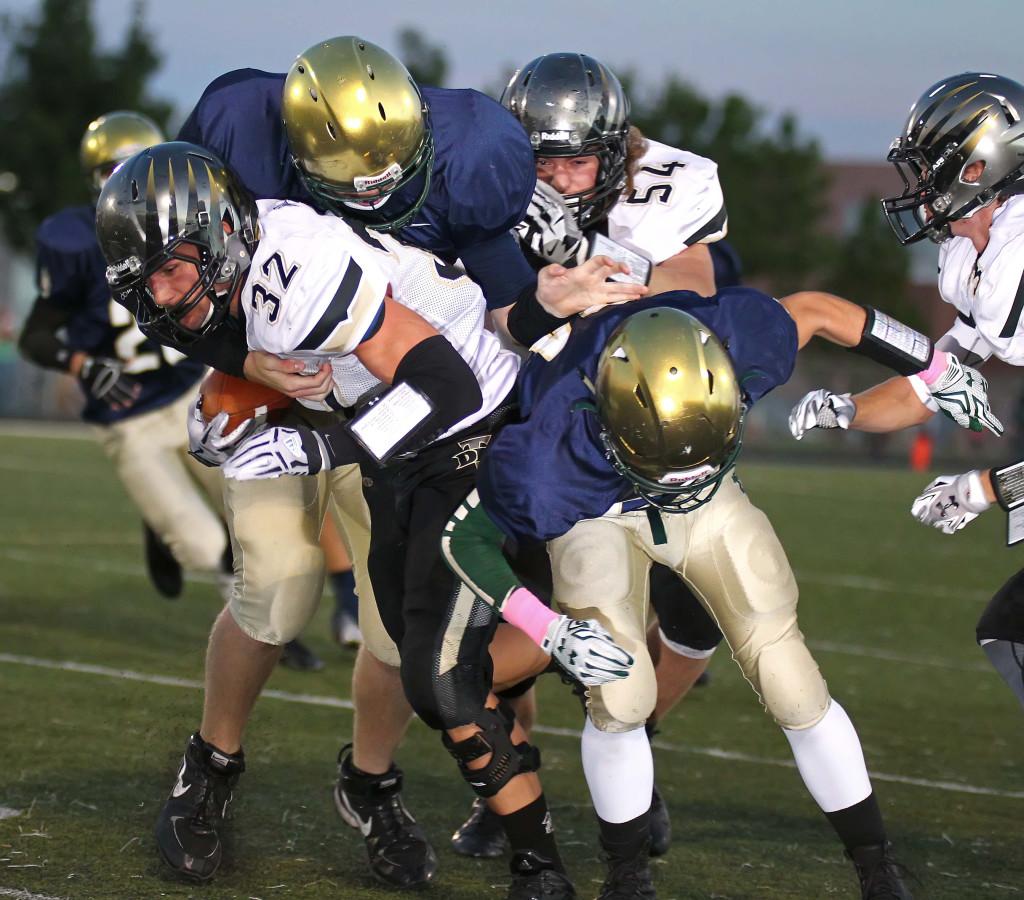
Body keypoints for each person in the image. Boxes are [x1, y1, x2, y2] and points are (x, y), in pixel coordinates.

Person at [95, 140, 640, 895]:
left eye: (172, 269)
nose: (159, 292)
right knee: (280, 589)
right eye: (144, 278)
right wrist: (247, 370)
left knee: (399, 639)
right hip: (332, 402)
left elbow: (440, 382)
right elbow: (199, 323)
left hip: (394, 411)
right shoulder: (189, 259)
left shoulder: (299, 269)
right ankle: (210, 768)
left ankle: (372, 785)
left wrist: (317, 444)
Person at [437, 280, 998, 898]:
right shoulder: (549, 453)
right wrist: (547, 626)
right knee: (619, 697)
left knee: (793, 681)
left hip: (708, 507)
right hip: (599, 513)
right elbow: (465, 539)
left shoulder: (741, 338)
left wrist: (937, 366)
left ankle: (877, 865)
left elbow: (818, 309)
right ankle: (626, 877)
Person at [462, 51, 731, 863]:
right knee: (505, 629)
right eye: (542, 157)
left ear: (615, 151)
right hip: (532, 426)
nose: (562, 175)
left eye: (579, 157)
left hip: (647, 422)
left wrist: (608, 266)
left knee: (694, 611)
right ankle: (513, 781)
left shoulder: (664, 188)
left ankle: (633, 749)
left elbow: (697, 288)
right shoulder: (486, 193)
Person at [789, 72, 1024, 718]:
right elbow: (936, 384)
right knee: (1010, 629)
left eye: (931, 169)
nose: (918, 188)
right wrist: (851, 410)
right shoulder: (984, 262)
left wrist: (988, 490)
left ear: (980, 167)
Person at [17, 110, 232, 604]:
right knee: (202, 544)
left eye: (137, 169)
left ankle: (269, 632)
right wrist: (82, 365)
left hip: (191, 393)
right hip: (127, 413)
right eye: (113, 174)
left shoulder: (186, 226)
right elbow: (37, 335)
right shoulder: (71, 241)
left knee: (252, 512)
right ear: (94, 180)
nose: (127, 186)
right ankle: (245, 616)